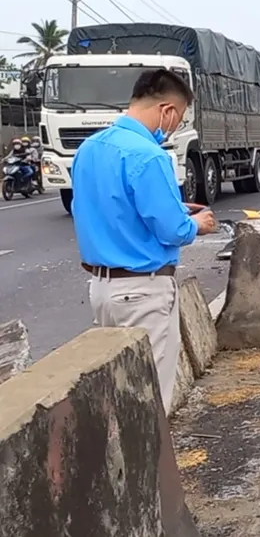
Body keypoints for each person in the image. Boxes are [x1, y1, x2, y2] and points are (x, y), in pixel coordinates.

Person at [72, 68, 218, 411]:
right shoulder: (149, 155)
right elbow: (173, 230)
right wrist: (197, 223)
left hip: (102, 289)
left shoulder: (89, 149)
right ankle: (152, 466)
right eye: (178, 119)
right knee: (150, 400)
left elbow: (105, 205)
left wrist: (174, 206)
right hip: (144, 292)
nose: (174, 127)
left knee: (117, 393)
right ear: (167, 110)